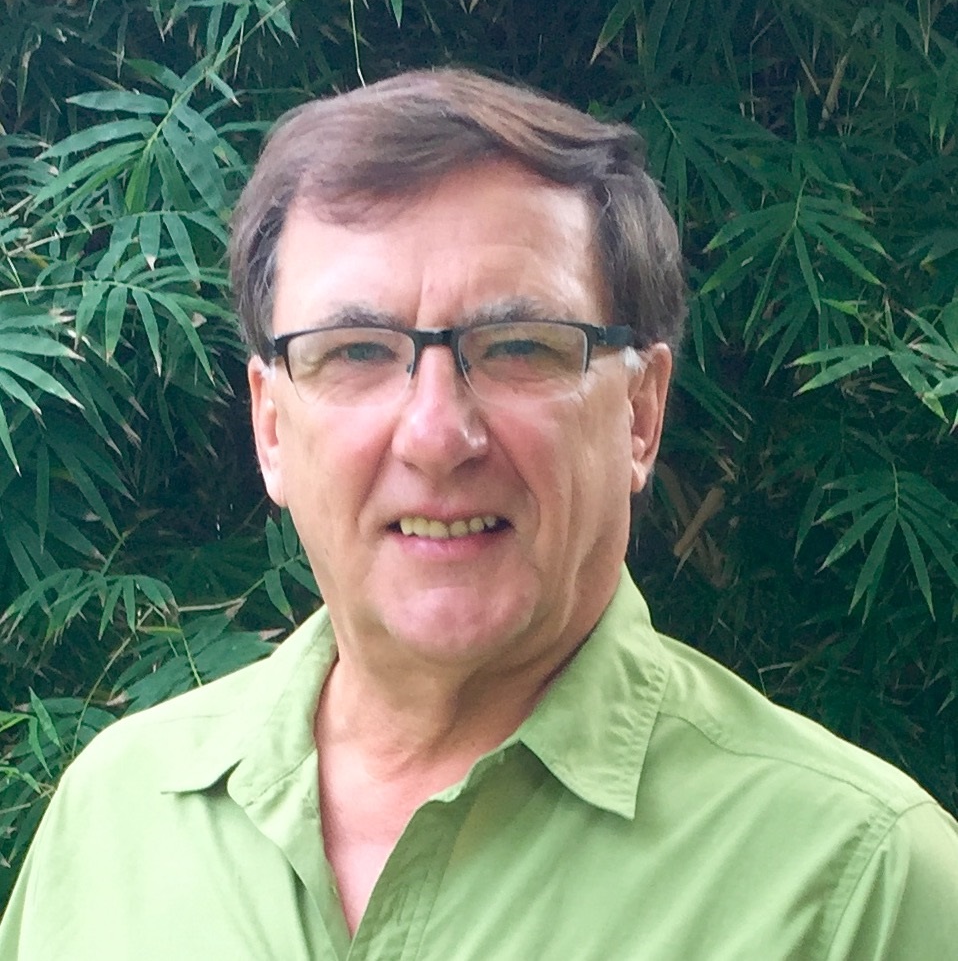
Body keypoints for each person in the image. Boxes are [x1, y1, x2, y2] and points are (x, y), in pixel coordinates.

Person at [1, 69, 956, 960]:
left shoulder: (860, 886)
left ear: (641, 412)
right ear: (271, 427)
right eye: (355, 351)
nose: (434, 434)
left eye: (520, 347)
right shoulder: (117, 817)